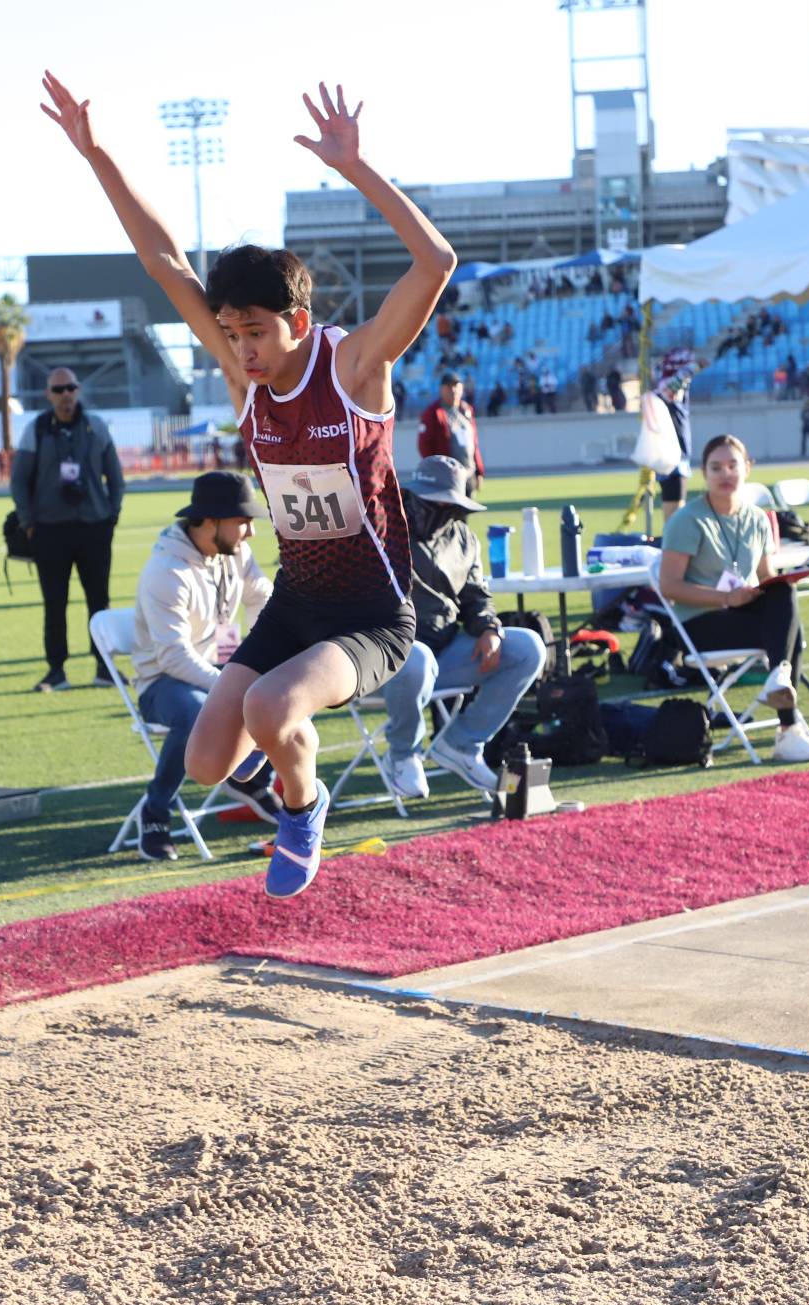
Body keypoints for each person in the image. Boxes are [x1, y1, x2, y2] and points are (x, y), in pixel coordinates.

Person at [43, 73, 448, 900]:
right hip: (298, 603)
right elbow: (165, 264)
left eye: (255, 331)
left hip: (371, 615)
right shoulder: (244, 377)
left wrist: (358, 170)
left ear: (297, 320)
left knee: (271, 708)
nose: (242, 350)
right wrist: (98, 155)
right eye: (230, 333)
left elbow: (434, 262)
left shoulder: (356, 366)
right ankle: (300, 776)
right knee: (202, 759)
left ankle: (303, 808)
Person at [377, 456, 544, 800]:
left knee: (528, 647)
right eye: (432, 500)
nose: (440, 509)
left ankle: (462, 744)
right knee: (416, 658)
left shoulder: (464, 537)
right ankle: (403, 754)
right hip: (382, 660)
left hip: (445, 649)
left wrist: (489, 630)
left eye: (446, 502)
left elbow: (476, 596)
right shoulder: (380, 527)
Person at [129, 471, 276, 860]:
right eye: (242, 521)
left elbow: (266, 597)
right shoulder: (166, 572)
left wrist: (263, 653)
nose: (250, 533)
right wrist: (234, 684)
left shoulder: (234, 553)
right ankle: (155, 812)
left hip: (216, 668)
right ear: (210, 521)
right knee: (196, 710)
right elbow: (172, 657)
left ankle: (254, 779)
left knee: (285, 686)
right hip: (162, 683)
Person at [657, 434, 809, 763]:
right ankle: (788, 727)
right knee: (790, 635)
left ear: (747, 468)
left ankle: (779, 683)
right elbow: (669, 587)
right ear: (704, 473)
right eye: (716, 467)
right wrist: (726, 598)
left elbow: (766, 579)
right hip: (698, 624)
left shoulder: (758, 519)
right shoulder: (687, 520)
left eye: (733, 465)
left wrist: (768, 588)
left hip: (741, 613)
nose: (725, 474)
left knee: (783, 591)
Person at [12, 365, 125, 691]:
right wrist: (28, 521)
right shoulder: (36, 430)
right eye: (58, 390)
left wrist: (111, 516)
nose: (65, 395)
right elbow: (19, 479)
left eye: (70, 388)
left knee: (99, 602)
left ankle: (105, 669)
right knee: (54, 602)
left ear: (78, 391)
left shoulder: (96, 427)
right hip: (49, 530)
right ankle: (56, 670)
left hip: (93, 527)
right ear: (49, 394)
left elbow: (115, 478)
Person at [416, 371, 484, 493]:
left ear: (462, 389)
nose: (453, 390)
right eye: (449, 387)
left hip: (468, 474)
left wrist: (479, 471)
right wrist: (437, 471)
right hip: (447, 477)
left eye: (456, 386)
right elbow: (424, 445)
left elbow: (473, 443)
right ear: (441, 389)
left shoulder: (466, 410)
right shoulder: (433, 413)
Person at [655, 377, 692, 520]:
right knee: (674, 515)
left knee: (675, 513)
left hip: (676, 463)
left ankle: (672, 537)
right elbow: (672, 387)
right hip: (672, 463)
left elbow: (681, 384)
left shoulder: (679, 406)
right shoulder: (667, 406)